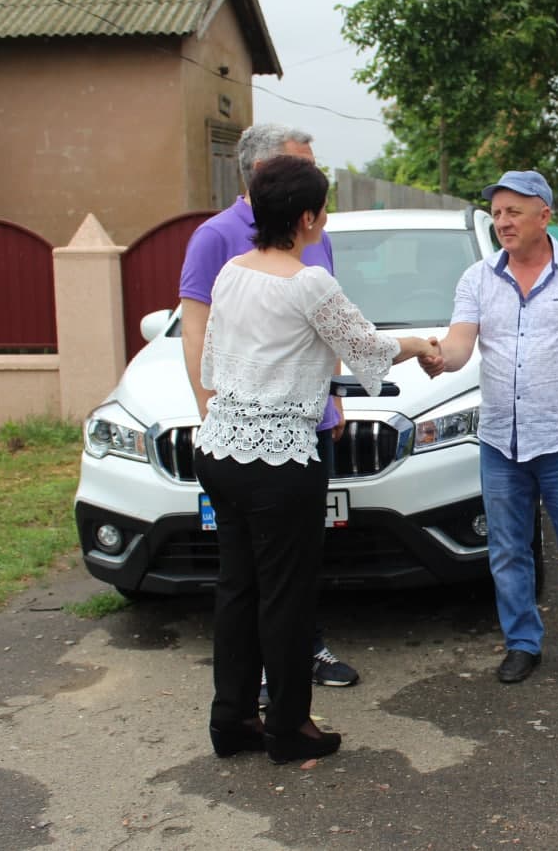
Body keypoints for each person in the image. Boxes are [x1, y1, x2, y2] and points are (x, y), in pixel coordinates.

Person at [195, 155, 436, 762]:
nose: (324, 218)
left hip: (220, 447)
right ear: (307, 217)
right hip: (280, 459)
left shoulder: (230, 273)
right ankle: (287, 728)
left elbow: (212, 366)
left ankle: (232, 720)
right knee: (287, 594)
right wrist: (421, 344)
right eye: (323, 208)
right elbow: (366, 347)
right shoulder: (309, 282)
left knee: (237, 588)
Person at [418, 170, 558, 684]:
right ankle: (521, 643)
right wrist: (440, 358)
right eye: (497, 213)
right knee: (508, 549)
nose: (503, 222)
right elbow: (461, 343)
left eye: (514, 212)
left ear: (544, 216)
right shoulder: (478, 278)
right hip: (500, 441)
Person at [179, 123, 359, 693]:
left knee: (300, 556)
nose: (315, 177)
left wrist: (333, 396)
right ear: (264, 173)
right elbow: (197, 328)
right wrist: (209, 406)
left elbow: (324, 324)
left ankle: (306, 648)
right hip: (247, 430)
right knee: (252, 569)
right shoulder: (216, 238)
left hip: (307, 425)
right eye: (303, 166)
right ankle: (265, 681)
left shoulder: (313, 232)